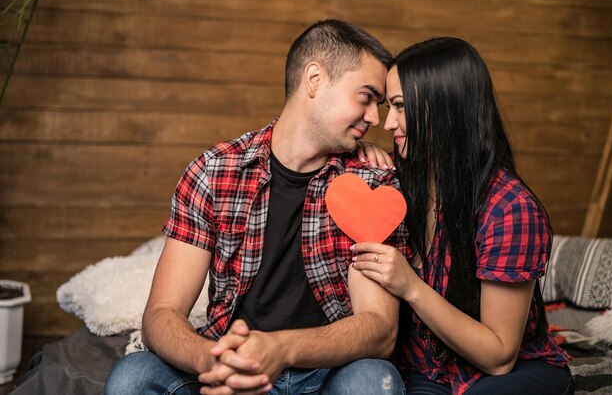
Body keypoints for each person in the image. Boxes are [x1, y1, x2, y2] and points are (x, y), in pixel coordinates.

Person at [104, 19, 408, 395]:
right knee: (132, 377)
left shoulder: (371, 182)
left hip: (323, 372)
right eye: (366, 97)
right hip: (228, 364)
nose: (375, 119)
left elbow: (379, 328)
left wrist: (281, 349)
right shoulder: (215, 171)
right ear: (314, 80)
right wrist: (213, 360)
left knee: (372, 382)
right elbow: (161, 313)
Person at [352, 38, 573, 394]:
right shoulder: (396, 182)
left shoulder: (509, 208)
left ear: (445, 109)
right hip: (428, 370)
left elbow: (499, 356)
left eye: (400, 106)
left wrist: (411, 286)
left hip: (503, 373)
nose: (387, 123)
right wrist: (356, 152)